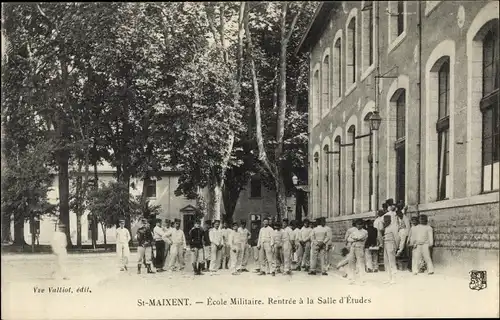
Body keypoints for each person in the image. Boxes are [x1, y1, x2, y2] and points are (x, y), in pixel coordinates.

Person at [347, 219, 368, 284]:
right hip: (353, 247)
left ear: (362, 225)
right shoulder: (354, 231)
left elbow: (360, 237)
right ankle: (352, 278)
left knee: (360, 263)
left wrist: (354, 238)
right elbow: (349, 239)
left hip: (359, 248)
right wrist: (354, 238)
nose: (358, 226)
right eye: (357, 224)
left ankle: (362, 279)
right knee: (351, 262)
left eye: (360, 224)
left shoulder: (365, 232)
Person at [381, 214, 400, 284]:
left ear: (390, 220)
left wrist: (396, 246)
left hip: (391, 244)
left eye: (387, 221)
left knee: (392, 262)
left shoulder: (393, 227)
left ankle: (394, 278)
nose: (386, 222)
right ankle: (388, 278)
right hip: (386, 245)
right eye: (385, 221)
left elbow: (397, 238)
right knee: (386, 262)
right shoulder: (386, 228)